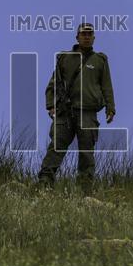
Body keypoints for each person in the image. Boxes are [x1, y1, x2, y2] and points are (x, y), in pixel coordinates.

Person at [37, 22, 116, 189]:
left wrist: (110, 108)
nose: (86, 37)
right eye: (83, 34)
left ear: (94, 38)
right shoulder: (65, 58)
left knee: (87, 152)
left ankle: (85, 189)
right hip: (65, 111)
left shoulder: (100, 60)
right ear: (77, 37)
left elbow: (106, 86)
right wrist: (51, 105)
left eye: (89, 34)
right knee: (56, 148)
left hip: (88, 113)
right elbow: (53, 84)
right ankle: (44, 183)